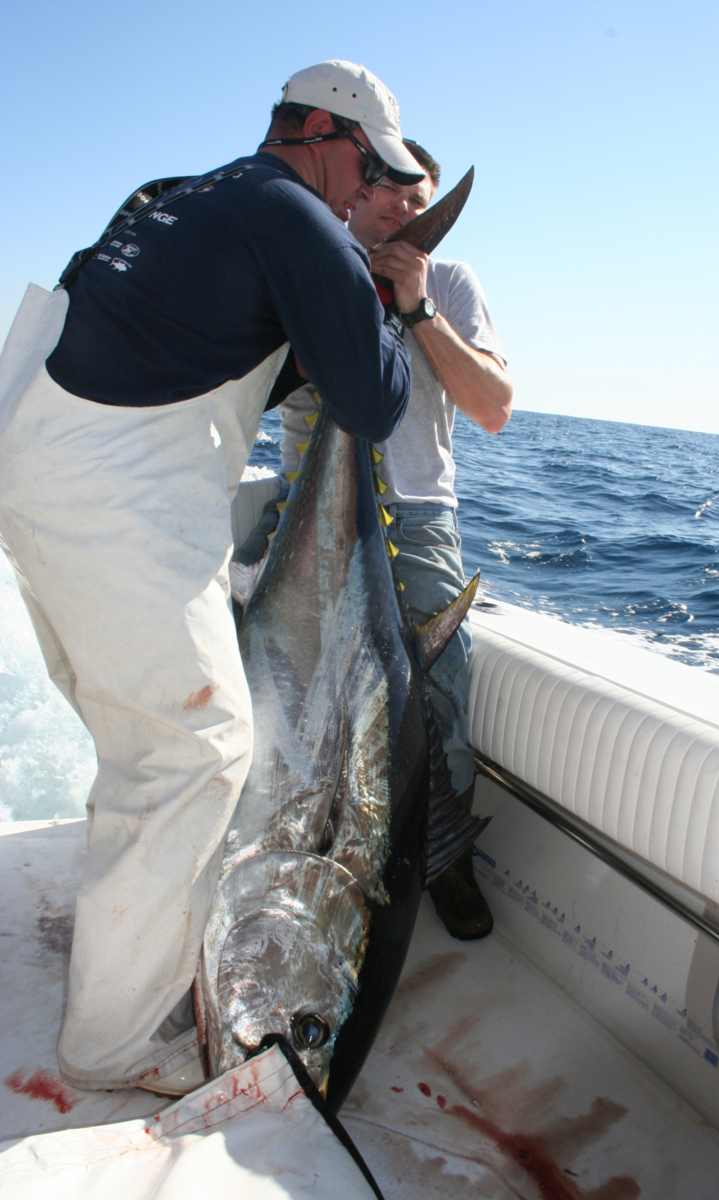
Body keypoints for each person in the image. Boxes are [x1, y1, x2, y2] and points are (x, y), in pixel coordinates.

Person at [0, 60, 425, 1097]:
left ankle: (138, 935)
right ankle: (109, 1047)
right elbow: (371, 404)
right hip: (117, 493)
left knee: (145, 741)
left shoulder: (182, 196)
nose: (364, 197)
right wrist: (392, 307)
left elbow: (204, 342)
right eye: (368, 173)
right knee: (199, 752)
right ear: (325, 134)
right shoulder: (295, 212)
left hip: (37, 464)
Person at [245, 139, 513, 939]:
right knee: (282, 686)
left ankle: (445, 856)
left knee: (439, 681)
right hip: (305, 511)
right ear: (353, 195)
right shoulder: (302, 269)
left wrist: (417, 306)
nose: (403, 207)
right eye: (387, 190)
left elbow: (495, 408)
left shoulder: (453, 281)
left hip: (416, 514)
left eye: (418, 198)